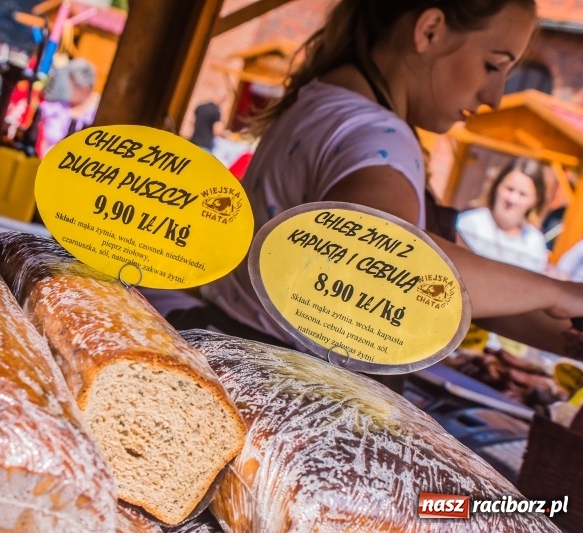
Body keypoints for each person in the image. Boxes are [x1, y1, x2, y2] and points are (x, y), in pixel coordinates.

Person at [163, 0, 583, 362]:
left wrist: (559, 325)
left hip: (219, 344)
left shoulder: (325, 99)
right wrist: (557, 293)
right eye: (492, 65)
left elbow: (439, 282)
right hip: (271, 377)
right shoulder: (376, 134)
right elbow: (387, 261)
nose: (493, 96)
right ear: (430, 30)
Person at [456, 157, 548, 273]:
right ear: (496, 187)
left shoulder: (535, 242)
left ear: (535, 200)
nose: (512, 199)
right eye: (509, 189)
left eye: (522, 194)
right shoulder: (470, 223)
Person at [36, 57, 97, 158]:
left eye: (69, 85)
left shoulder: (95, 114)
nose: (63, 87)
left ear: (84, 90)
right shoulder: (55, 105)